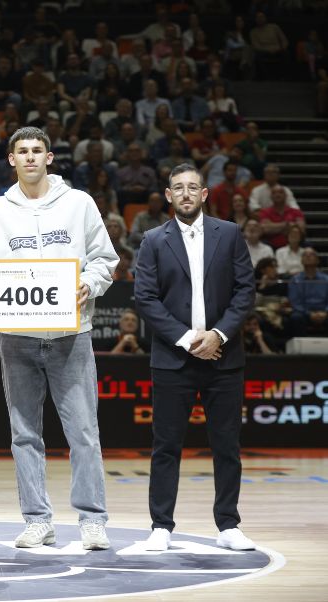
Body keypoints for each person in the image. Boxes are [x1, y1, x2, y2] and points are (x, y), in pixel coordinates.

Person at [0, 126, 118, 551]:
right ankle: (38, 521)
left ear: (50, 158)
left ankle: (92, 521)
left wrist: (89, 283)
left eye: (37, 150)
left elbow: (105, 259)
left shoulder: (79, 203)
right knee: (24, 434)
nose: (30, 157)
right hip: (16, 337)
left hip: (72, 334)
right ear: (11, 159)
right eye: (23, 151)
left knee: (83, 432)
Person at [134, 163, 256, 552]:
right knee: (165, 446)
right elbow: (145, 298)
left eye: (192, 187)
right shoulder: (153, 239)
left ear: (204, 194)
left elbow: (245, 291)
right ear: (168, 196)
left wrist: (218, 335)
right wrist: (189, 339)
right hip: (174, 359)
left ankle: (228, 525)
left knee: (227, 445)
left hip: (224, 356)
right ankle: (161, 526)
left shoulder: (230, 233)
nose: (185, 194)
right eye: (178, 188)